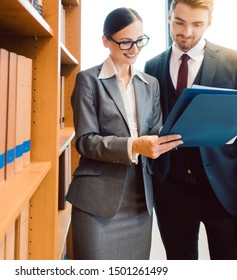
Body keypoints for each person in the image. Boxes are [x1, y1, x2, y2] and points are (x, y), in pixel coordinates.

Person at [144, 0, 237, 260]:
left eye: (197, 24)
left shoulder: (234, 62)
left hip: (225, 194)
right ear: (169, 17)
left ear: (209, 22)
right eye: (180, 22)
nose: (187, 32)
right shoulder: (152, 67)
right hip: (171, 194)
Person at [67, 7, 183, 260]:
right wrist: (134, 145)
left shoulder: (150, 84)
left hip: (140, 198)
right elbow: (86, 142)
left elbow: (154, 132)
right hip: (97, 201)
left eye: (140, 40)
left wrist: (166, 138)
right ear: (106, 41)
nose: (134, 49)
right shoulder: (88, 80)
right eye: (125, 42)